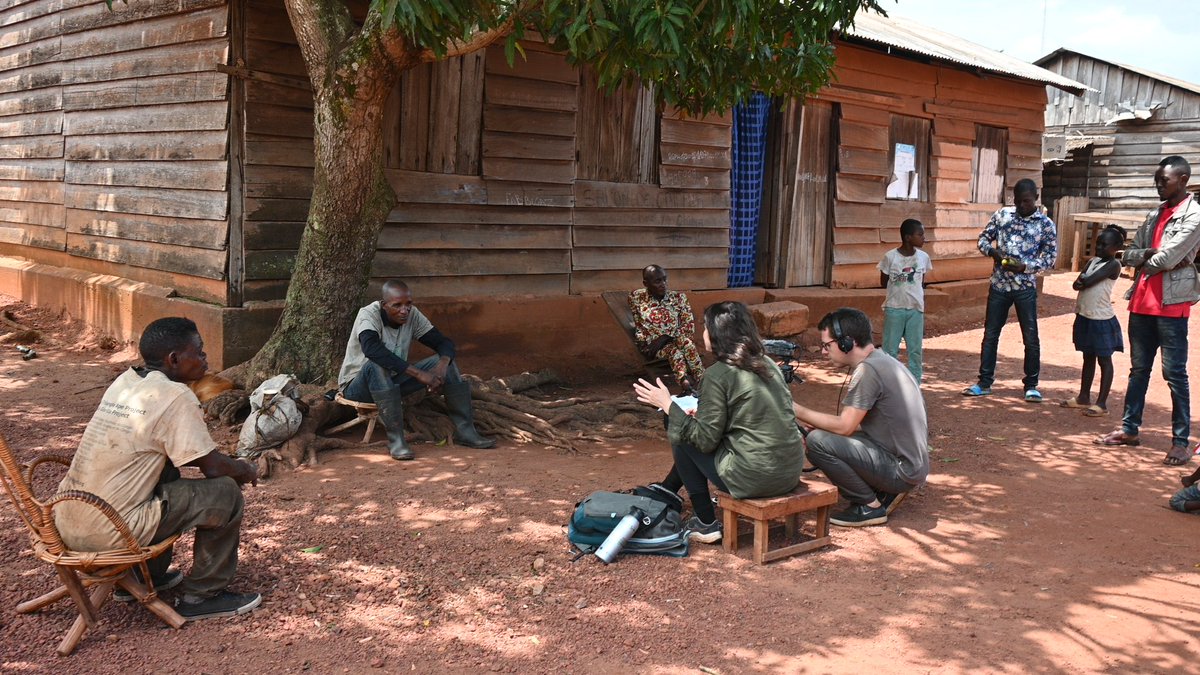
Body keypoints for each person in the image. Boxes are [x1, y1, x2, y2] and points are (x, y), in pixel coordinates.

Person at [54, 317, 261, 620]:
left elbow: (184, 458)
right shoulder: (175, 395)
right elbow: (213, 468)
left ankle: (138, 577)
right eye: (199, 352)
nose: (205, 359)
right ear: (174, 359)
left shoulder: (127, 381)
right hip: (110, 531)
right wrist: (245, 469)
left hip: (67, 520)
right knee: (226, 494)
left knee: (165, 473)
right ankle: (203, 595)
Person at [633, 301, 804, 543]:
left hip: (755, 477)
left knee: (680, 430)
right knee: (684, 423)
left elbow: (704, 440)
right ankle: (670, 488)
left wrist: (667, 404)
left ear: (716, 334)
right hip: (789, 471)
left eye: (705, 327)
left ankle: (705, 522)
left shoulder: (717, 374)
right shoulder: (768, 364)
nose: (702, 332)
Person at [1096, 156, 1200, 466]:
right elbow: (1127, 254)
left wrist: (1147, 257)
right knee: (1138, 370)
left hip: (1172, 307)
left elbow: (1165, 260)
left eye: (1163, 180)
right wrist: (1145, 255)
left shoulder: (1194, 216)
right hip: (1141, 302)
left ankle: (1181, 441)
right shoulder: (1155, 213)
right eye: (1156, 179)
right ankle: (1130, 429)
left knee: (1174, 374)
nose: (1157, 185)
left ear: (1181, 180)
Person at [793, 308, 929, 527]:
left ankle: (868, 506)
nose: (823, 352)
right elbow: (861, 426)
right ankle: (881, 491)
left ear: (847, 343)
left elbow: (845, 426)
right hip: (910, 464)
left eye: (827, 345)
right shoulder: (883, 360)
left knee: (816, 442)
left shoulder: (868, 371)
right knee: (821, 436)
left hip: (901, 470)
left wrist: (795, 409)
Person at [339, 280, 495, 460]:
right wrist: (420, 374)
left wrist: (442, 367)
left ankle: (466, 431)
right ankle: (396, 440)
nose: (404, 310)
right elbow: (372, 350)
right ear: (384, 305)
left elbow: (443, 343)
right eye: (397, 305)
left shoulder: (412, 315)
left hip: (392, 382)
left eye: (408, 304)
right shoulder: (368, 315)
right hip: (357, 387)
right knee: (377, 363)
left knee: (445, 359)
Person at [962, 178, 1058, 402]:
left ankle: (1031, 385)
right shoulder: (1002, 215)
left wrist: (1025, 267)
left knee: (1030, 337)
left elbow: (1050, 258)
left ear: (1036, 198)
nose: (1021, 205)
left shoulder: (1045, 225)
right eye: (1017, 201)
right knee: (991, 335)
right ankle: (984, 383)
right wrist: (995, 254)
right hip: (999, 285)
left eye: (1026, 201)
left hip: (1025, 288)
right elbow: (983, 239)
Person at [1060, 225, 1126, 417]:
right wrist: (1082, 281)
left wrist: (1083, 281)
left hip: (1101, 319)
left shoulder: (1114, 265)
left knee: (1104, 360)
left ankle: (1102, 403)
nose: (1099, 248)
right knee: (1087, 356)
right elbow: (1076, 284)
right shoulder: (1093, 261)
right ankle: (1083, 397)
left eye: (1104, 245)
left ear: (1116, 248)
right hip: (1085, 315)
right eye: (1098, 243)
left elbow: (1086, 282)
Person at [629, 264, 705, 393]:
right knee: (675, 352)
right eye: (657, 281)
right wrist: (642, 343)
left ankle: (698, 381)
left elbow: (688, 328)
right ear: (645, 283)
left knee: (686, 343)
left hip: (677, 340)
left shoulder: (679, 298)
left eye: (665, 279)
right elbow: (639, 324)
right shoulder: (636, 297)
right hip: (654, 347)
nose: (663, 284)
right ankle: (688, 382)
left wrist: (665, 337)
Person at [878, 218, 932, 383]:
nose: (924, 237)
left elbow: (921, 281)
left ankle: (915, 383)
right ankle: (888, 383)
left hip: (915, 309)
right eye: (920, 234)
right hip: (894, 308)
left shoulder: (923, 257)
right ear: (908, 237)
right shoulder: (890, 257)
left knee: (915, 350)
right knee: (890, 350)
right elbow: (883, 281)